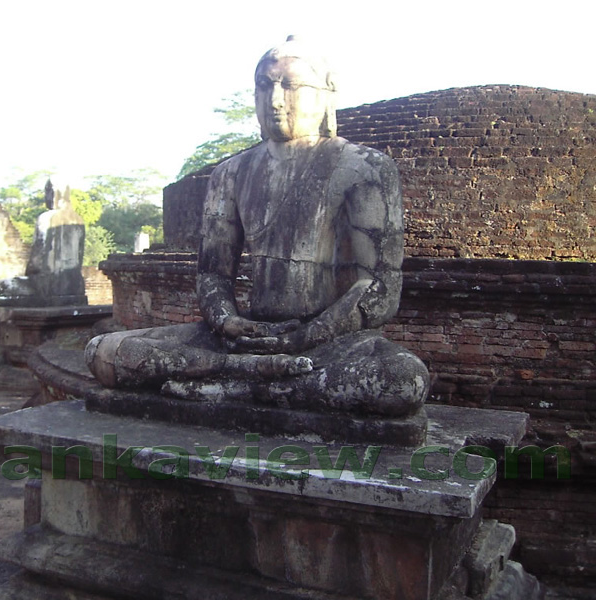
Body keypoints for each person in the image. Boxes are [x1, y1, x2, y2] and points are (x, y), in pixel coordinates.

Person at [86, 36, 429, 418]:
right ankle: (249, 375)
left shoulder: (365, 168)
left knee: (402, 380)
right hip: (243, 340)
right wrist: (228, 322)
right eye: (265, 86)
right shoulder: (230, 173)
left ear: (326, 94)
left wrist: (307, 335)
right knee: (102, 350)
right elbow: (213, 274)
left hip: (329, 342)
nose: (275, 100)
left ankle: (232, 384)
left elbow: (379, 289)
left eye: (291, 85)